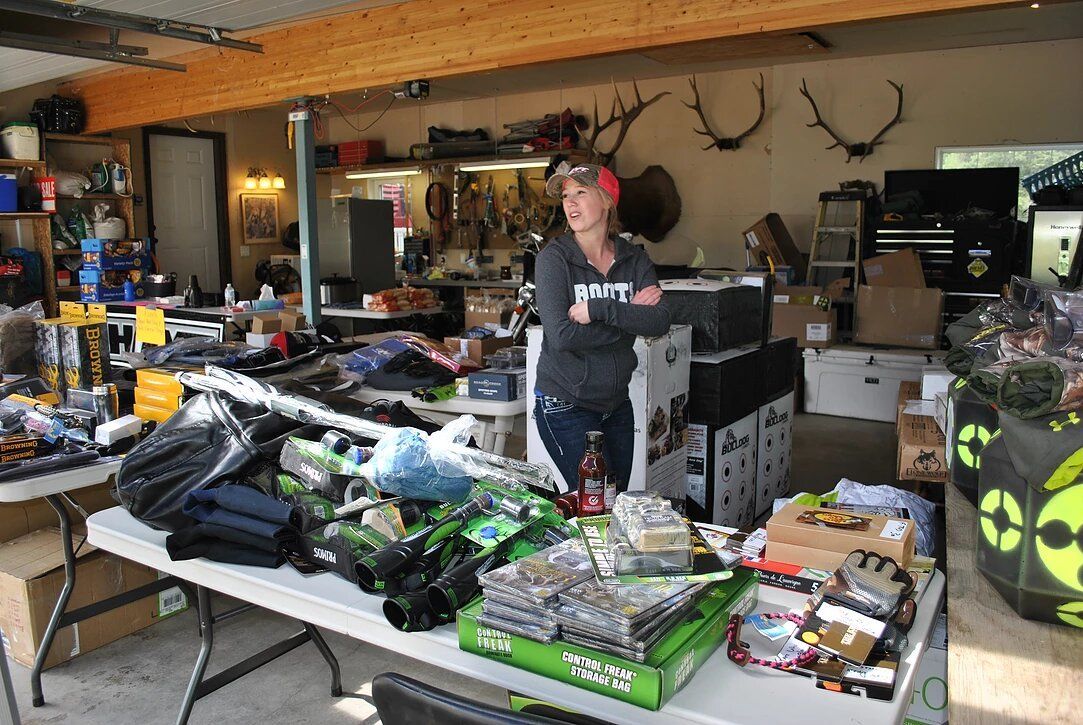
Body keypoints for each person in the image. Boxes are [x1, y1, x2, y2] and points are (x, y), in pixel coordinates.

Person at [533, 162, 670, 493]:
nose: (570, 203)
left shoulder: (633, 259)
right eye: (566, 195)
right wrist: (628, 318)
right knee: (597, 500)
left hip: (616, 405)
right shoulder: (555, 259)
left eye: (581, 192)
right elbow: (562, 336)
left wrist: (601, 309)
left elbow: (659, 320)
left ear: (608, 200)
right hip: (565, 402)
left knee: (615, 499)